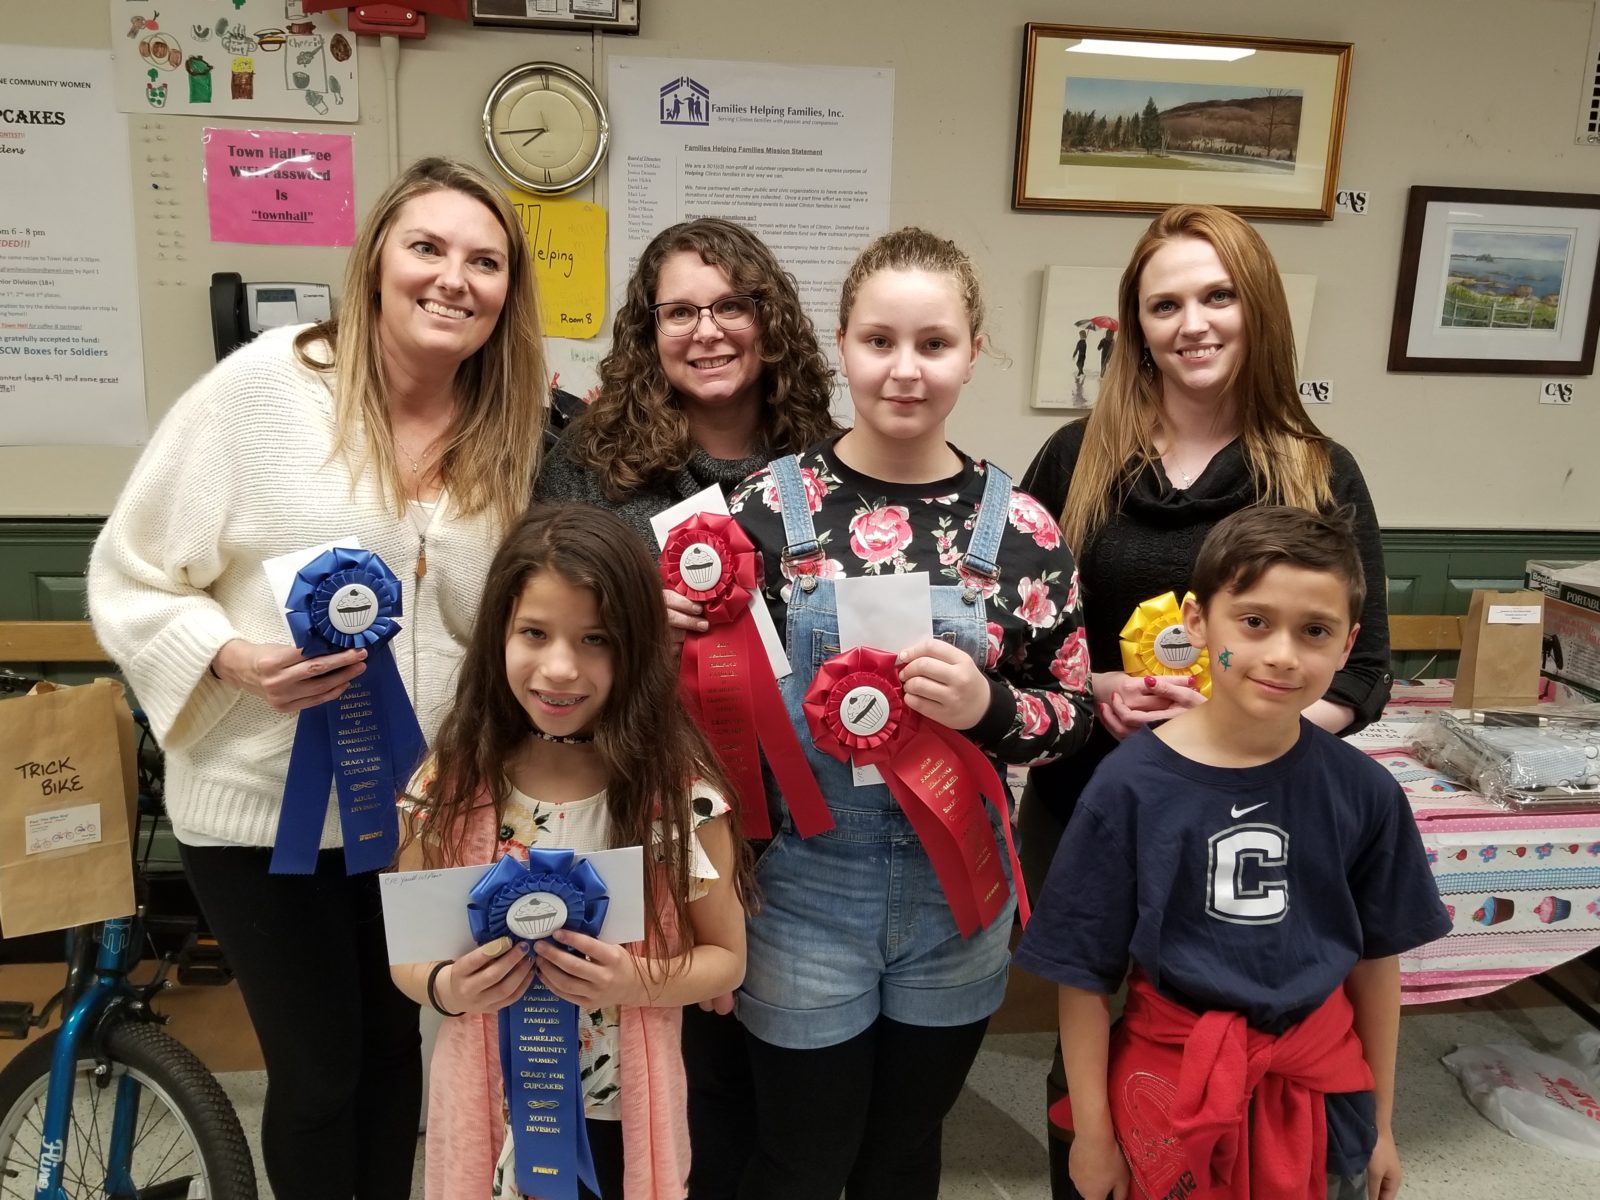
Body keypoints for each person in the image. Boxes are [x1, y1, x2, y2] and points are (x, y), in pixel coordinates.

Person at [87, 156, 548, 1200]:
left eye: (485, 262)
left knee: (395, 1059)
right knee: (320, 1073)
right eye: (427, 247)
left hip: (419, 813)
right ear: (376, 260)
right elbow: (131, 574)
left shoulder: (506, 426)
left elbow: (492, 626)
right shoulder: (262, 391)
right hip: (263, 815)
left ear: (506, 294)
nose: (454, 278)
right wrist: (231, 658)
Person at [1018, 202, 1392, 1194]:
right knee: (1092, 1055)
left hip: (1261, 822)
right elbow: (1020, 640)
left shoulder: (1317, 471)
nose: (1193, 323)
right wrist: (1093, 687)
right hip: (1095, 802)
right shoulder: (1074, 460)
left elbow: (1364, 670)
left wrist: (1244, 737)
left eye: (1218, 295)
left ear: (1256, 307)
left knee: (1246, 1049)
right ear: (1135, 325)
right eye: (1164, 304)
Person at [727, 227, 1095, 1199]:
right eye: (879, 341)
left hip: (957, 901)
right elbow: (700, 710)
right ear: (841, 345)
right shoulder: (761, 510)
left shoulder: (1023, 529)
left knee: (902, 1155)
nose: (904, 369)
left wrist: (988, 706)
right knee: (800, 1161)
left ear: (973, 353)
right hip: (801, 896)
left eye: (933, 343)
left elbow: (1073, 713)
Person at [1015, 506, 1450, 1200]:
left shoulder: (1365, 792)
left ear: (1348, 645)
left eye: (1314, 631)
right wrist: (1093, 1135)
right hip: (1171, 1091)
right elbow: (1084, 977)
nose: (1283, 654)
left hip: (1323, 1094)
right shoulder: (1128, 788)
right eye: (1254, 622)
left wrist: (1381, 1123)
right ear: (1196, 622)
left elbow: (1377, 967)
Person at [533, 216, 837, 1197]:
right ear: (648, 330)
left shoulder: (825, 462)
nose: (707, 331)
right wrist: (622, 621)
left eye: (731, 306)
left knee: (773, 1087)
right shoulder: (590, 461)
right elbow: (541, 619)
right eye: (679, 312)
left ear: (769, 320)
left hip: (796, 818)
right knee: (655, 1075)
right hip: (648, 807)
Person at [392, 505, 749, 1200]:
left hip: (622, 1115)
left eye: (595, 640)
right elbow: (409, 959)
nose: (560, 668)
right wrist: (446, 988)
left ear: (637, 647)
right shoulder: (448, 787)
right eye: (534, 632)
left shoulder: (680, 798)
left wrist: (635, 982)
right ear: (498, 632)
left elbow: (726, 958)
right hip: (490, 1110)